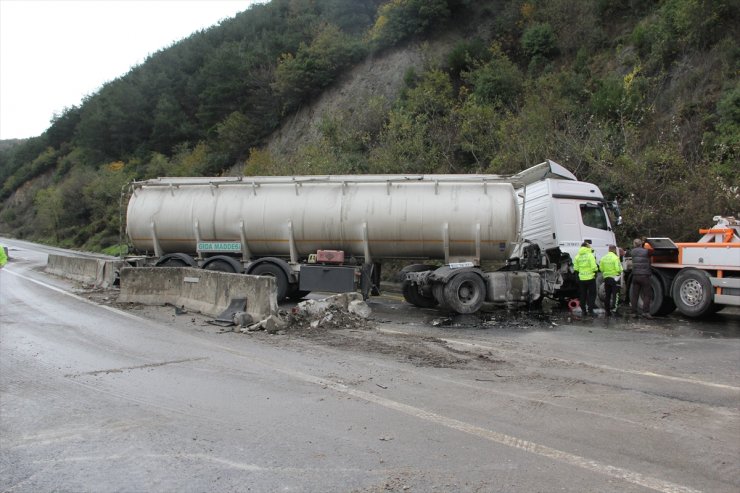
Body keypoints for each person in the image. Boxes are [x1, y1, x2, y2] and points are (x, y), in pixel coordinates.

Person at [630, 238, 653, 318]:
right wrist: (647, 242)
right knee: (647, 295)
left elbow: (638, 250)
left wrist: (642, 244)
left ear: (634, 244)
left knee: (635, 295)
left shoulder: (632, 252)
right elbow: (654, 251)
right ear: (641, 244)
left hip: (635, 276)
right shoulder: (646, 251)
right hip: (644, 276)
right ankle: (645, 312)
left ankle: (633, 312)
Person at [574, 241, 598, 317]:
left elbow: (576, 268)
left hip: (581, 278)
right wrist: (596, 272)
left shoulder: (577, 256)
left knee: (583, 295)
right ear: (587, 247)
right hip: (590, 278)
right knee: (592, 294)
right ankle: (590, 311)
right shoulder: (590, 255)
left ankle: (583, 311)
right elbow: (594, 267)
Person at [599, 245, 623, 316]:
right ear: (615, 250)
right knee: (616, 295)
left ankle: (607, 311)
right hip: (615, 278)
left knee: (607, 295)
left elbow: (601, 269)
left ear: (608, 250)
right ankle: (615, 310)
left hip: (606, 278)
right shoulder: (615, 258)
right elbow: (619, 269)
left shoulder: (603, 258)